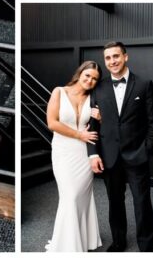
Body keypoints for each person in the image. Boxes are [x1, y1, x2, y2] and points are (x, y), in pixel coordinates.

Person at [87, 42, 153, 252]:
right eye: (108, 58)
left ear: (125, 57)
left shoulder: (144, 84)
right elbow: (92, 124)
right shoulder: (98, 87)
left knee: (142, 203)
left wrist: (147, 150)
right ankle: (118, 242)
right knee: (115, 203)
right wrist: (93, 154)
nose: (113, 61)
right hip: (109, 156)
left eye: (116, 56)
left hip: (138, 155)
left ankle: (146, 247)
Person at [45, 60, 103, 252]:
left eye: (94, 79)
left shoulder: (94, 98)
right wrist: (79, 134)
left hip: (84, 153)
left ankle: (84, 240)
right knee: (70, 196)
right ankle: (68, 246)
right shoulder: (59, 92)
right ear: (79, 74)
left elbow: (101, 128)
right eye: (87, 76)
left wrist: (101, 118)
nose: (90, 80)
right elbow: (52, 123)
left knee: (82, 196)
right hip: (63, 151)